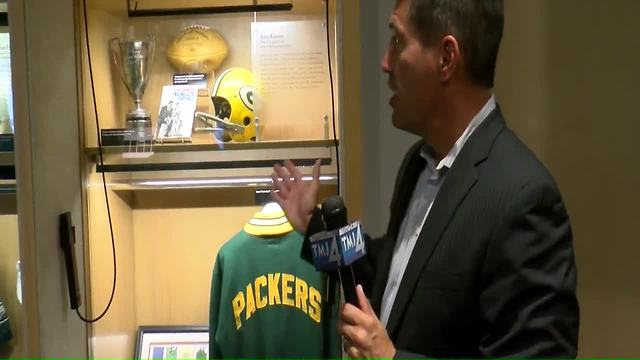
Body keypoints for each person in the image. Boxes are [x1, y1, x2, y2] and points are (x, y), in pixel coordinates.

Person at [271, 0, 579, 358]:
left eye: (398, 41)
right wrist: (316, 227)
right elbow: (395, 277)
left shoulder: (523, 199)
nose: (385, 63)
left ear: (446, 58)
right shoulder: (418, 165)